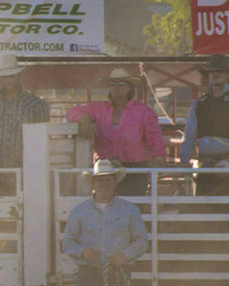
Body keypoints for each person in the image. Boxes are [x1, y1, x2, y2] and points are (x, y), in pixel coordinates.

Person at [65, 68, 167, 196]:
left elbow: (155, 139)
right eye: (112, 84)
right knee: (106, 206)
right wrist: (83, 118)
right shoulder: (99, 108)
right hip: (106, 169)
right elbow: (71, 111)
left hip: (135, 169)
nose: (116, 87)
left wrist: (159, 158)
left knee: (132, 206)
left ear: (129, 88)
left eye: (120, 84)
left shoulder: (143, 112)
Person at [0, 53, 50, 195]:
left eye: (12, 76)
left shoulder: (37, 105)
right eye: (5, 77)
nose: (9, 81)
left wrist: (38, 166)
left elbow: (42, 141)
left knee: (26, 211)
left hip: (26, 171)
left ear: (18, 76)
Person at [179, 53, 229, 196]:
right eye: (212, 72)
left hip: (226, 164)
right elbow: (189, 134)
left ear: (227, 75)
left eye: (220, 71)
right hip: (204, 164)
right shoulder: (199, 104)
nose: (215, 75)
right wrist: (184, 160)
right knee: (203, 205)